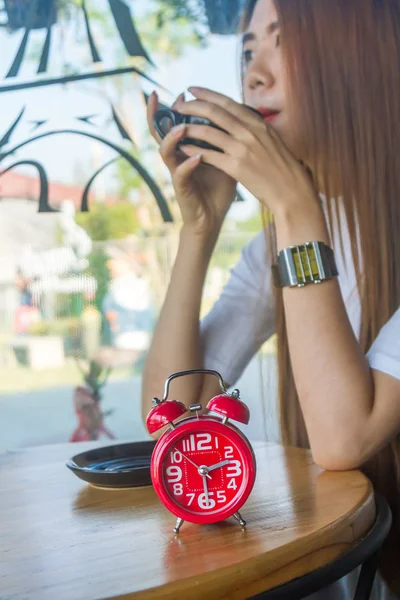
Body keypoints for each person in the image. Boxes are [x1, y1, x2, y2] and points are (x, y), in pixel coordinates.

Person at [142, 0, 400, 597]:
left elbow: (343, 438)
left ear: (364, 59)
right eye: (249, 50)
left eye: (285, 43)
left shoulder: (296, 226)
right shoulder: (277, 246)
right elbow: (171, 418)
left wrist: (294, 207)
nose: (255, 74)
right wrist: (199, 229)